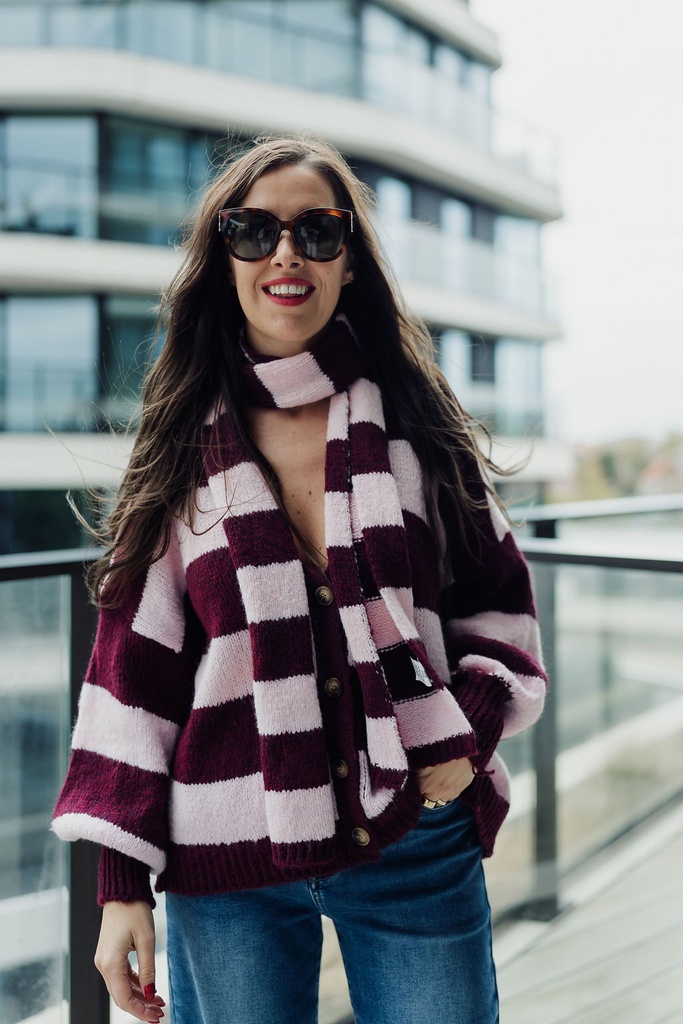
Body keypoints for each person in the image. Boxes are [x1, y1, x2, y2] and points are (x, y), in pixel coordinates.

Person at [52, 135, 546, 1024]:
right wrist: (121, 883)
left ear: (348, 261)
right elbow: (132, 676)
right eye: (255, 232)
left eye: (319, 232)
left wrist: (464, 735)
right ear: (224, 258)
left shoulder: (419, 431)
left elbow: (499, 609)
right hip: (226, 853)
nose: (287, 254)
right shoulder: (179, 452)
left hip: (411, 832)